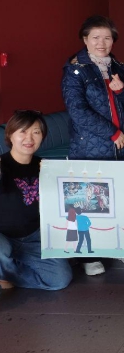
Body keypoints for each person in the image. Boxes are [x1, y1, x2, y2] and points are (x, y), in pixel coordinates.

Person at [62, 15, 124, 276]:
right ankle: (89, 255)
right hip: (91, 147)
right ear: (85, 40)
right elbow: (77, 111)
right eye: (95, 37)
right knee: (88, 204)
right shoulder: (75, 70)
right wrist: (112, 133)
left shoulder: (120, 67)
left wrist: (122, 90)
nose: (101, 43)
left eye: (107, 38)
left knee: (122, 200)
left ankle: (121, 245)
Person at [0, 110, 72, 290]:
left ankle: (8, 274)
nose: (29, 138)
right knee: (2, 249)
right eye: (23, 131)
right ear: (10, 135)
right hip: (3, 237)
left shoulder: (46, 167)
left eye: (36, 132)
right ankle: (4, 269)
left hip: (33, 237)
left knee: (60, 279)